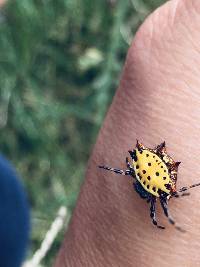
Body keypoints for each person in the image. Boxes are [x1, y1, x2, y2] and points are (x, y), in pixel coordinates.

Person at [54, 0, 200, 266]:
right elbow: (144, 189)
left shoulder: (155, 188)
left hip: (149, 168)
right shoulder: (155, 189)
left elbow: (142, 185)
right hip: (148, 167)